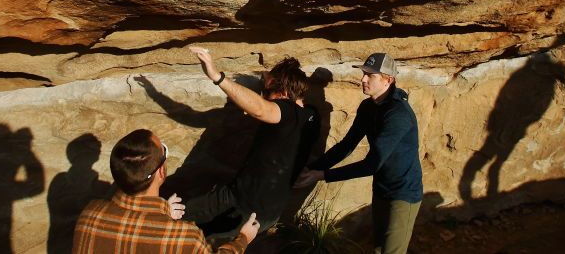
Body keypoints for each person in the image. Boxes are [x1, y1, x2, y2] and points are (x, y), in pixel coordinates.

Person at [294, 53, 422, 254]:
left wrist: (323, 175)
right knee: (379, 248)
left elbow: (372, 164)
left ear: (388, 80)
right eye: (364, 73)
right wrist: (312, 168)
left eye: (370, 75)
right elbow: (347, 145)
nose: (362, 79)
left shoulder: (399, 115)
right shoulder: (368, 107)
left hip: (403, 192)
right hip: (381, 188)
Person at [185, 46, 320, 235]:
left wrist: (217, 76)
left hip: (239, 206)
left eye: (266, 92)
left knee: (177, 219)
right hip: (268, 212)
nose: (263, 97)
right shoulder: (311, 116)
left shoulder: (288, 111)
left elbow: (261, 109)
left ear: (282, 94)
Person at [73, 129, 259, 253]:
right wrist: (242, 239)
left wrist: (163, 212)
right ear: (161, 171)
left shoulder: (89, 215)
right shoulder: (186, 238)